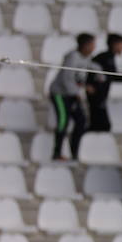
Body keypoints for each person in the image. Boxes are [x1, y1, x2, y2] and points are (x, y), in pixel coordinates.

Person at [50, 33, 95, 161]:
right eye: (92, 44)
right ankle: (57, 153)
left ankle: (74, 153)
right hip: (60, 94)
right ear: (86, 45)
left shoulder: (86, 58)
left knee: (81, 121)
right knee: (63, 121)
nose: (93, 48)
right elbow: (67, 78)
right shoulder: (72, 57)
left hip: (72, 95)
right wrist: (77, 93)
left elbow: (89, 69)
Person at [87, 33, 122, 132]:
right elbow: (113, 76)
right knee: (102, 126)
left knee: (99, 126)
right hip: (97, 95)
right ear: (115, 44)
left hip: (100, 95)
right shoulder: (106, 58)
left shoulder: (107, 57)